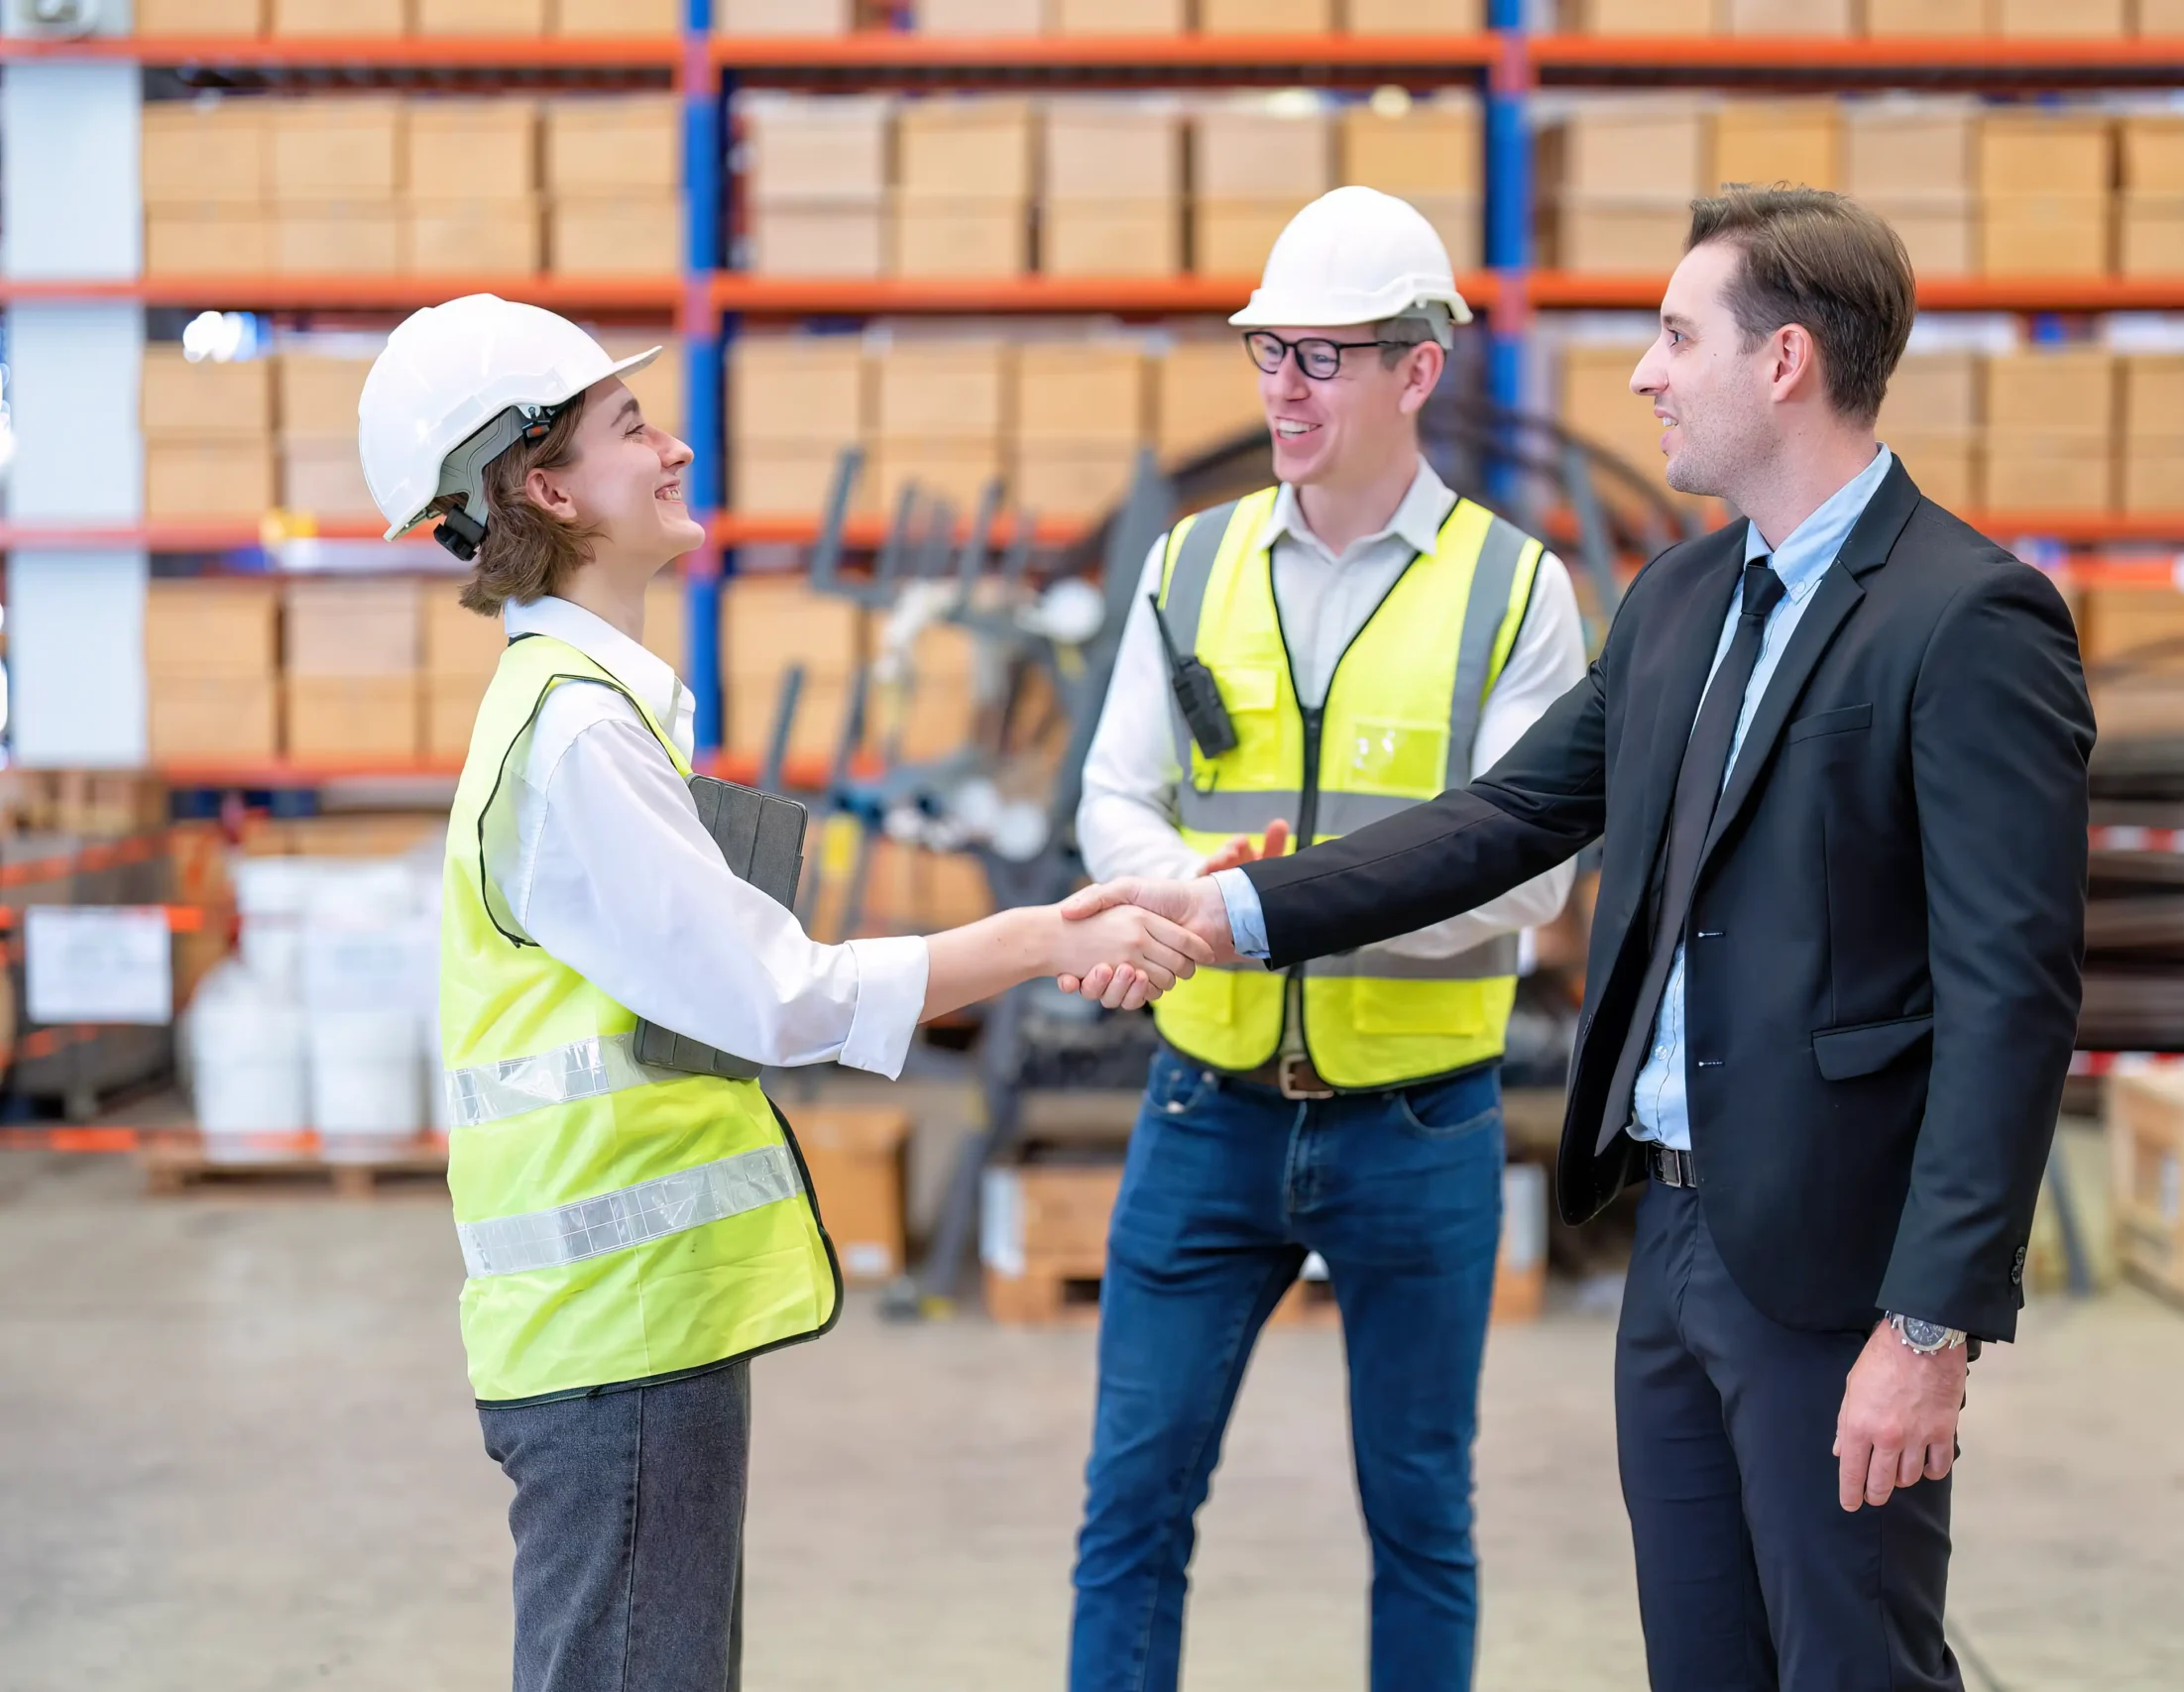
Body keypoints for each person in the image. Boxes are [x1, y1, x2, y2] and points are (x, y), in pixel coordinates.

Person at [1063, 187, 2095, 1691]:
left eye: (1678, 336)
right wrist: (1225, 910)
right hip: (1670, 1239)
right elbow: (1495, 822)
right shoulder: (1682, 600)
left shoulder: (1966, 617)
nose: (1645, 374)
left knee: (1852, 1661)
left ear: (1787, 361)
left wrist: (1931, 1321)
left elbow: (2013, 1002)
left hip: (1835, 1261)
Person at [358, 294, 1208, 1692]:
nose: (678, 447)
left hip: (633, 1328)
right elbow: (773, 995)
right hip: (613, 1338)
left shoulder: (590, 708)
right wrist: (1038, 938)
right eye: (634, 428)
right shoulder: (572, 737)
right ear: (548, 486)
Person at [1062, 186, 1589, 1692]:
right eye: (1264, 353)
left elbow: (1527, 874)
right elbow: (1115, 796)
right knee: (1131, 1504)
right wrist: (1188, 903)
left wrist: (1262, 908)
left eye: (1320, 357)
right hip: (1201, 1111)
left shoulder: (1516, 593)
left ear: (1417, 370)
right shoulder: (1191, 565)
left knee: (1422, 1514)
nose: (1282, 389)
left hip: (1420, 1122)